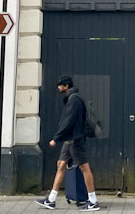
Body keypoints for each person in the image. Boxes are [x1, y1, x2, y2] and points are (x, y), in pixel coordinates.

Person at [37, 75, 100, 212]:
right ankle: (51, 200)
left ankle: (93, 201)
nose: (58, 87)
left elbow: (69, 121)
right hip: (69, 140)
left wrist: (56, 138)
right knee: (61, 164)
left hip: (76, 139)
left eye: (60, 85)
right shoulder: (71, 99)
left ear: (66, 86)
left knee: (84, 168)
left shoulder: (74, 100)